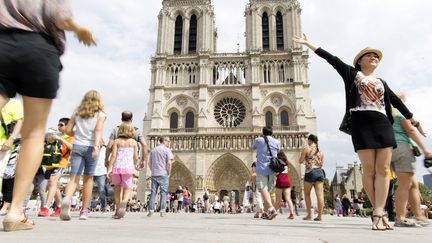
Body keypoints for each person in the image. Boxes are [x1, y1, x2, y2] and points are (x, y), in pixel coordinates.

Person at [293, 34, 417, 230]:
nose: (374, 58)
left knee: (384, 169)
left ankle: (379, 211)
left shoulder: (381, 82)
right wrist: (309, 45)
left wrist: (410, 117)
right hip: (361, 124)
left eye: (376, 56)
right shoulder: (352, 74)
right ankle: (380, 211)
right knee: (369, 170)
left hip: (382, 123)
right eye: (369, 56)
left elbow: (395, 100)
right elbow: (332, 60)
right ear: (359, 61)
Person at [0, 0, 96, 231]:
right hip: (38, 49)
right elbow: (60, 17)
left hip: (2, 44)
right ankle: (15, 212)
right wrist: (79, 29)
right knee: (34, 133)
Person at [60, 90, 106, 221]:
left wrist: (79, 135)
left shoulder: (77, 113)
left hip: (77, 146)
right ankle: (84, 211)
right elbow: (98, 130)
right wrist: (97, 147)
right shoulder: (101, 115)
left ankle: (67, 199)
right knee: (88, 179)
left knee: (74, 178)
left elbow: (68, 131)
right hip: (91, 147)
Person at [391, 92, 431, 227]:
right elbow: (411, 130)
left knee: (413, 184)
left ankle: (419, 216)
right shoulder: (399, 114)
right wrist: (425, 149)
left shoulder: (386, 115)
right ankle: (400, 217)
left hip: (391, 150)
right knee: (405, 185)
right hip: (403, 148)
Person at [39, 118, 73, 217]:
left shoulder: (71, 137)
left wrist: (61, 139)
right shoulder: (56, 135)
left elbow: (72, 148)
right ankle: (59, 206)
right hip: (50, 163)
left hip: (62, 162)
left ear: (67, 126)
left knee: (52, 182)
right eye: (58, 125)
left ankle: (46, 207)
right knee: (52, 185)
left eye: (61, 125)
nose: (59, 127)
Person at [107, 123, 139, 219]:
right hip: (128, 168)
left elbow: (113, 155)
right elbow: (136, 157)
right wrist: (134, 164)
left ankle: (117, 211)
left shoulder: (116, 141)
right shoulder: (134, 143)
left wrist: (109, 168)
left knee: (117, 190)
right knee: (127, 188)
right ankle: (124, 201)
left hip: (117, 167)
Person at [251, 126, 280, 220]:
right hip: (272, 168)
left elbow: (252, 147)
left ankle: (271, 209)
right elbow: (278, 151)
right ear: (272, 132)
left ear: (263, 133)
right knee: (269, 190)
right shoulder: (277, 142)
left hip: (262, 168)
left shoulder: (259, 140)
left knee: (263, 189)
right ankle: (268, 213)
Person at [298, 134, 325, 221]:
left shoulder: (307, 149)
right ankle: (320, 215)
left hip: (310, 172)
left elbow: (300, 161)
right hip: (319, 172)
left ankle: (309, 215)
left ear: (310, 140)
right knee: (320, 195)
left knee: (307, 194)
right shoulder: (320, 151)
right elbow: (321, 164)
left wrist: (306, 161)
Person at [147, 137, 173, 217]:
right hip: (163, 174)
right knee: (163, 193)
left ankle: (151, 210)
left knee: (153, 192)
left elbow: (149, 163)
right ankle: (162, 211)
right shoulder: (167, 150)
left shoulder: (153, 150)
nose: (169, 142)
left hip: (154, 174)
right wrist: (169, 172)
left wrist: (153, 170)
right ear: (164, 141)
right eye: (168, 141)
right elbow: (169, 163)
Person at [274, 151, 295, 219]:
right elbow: (287, 171)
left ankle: (273, 212)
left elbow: (276, 173)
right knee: (288, 199)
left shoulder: (278, 163)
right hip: (287, 181)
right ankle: (292, 214)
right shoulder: (287, 163)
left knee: (278, 200)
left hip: (280, 181)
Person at [93, 140, 108, 213]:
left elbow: (109, 161)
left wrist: (109, 172)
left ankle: (104, 207)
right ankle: (87, 208)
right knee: (88, 189)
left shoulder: (106, 150)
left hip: (102, 172)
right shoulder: (93, 148)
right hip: (92, 171)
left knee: (102, 190)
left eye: (100, 142)